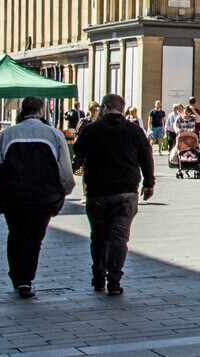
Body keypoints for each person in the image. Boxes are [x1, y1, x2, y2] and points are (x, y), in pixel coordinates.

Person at [0, 97, 75, 299]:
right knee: (34, 237)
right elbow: (65, 170)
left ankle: (17, 276)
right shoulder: (54, 135)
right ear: (41, 111)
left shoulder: (8, 134)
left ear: (22, 111)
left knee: (15, 234)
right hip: (43, 196)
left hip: (13, 195)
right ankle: (26, 279)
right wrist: (64, 190)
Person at [71, 94, 155, 297]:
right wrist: (149, 183)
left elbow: (78, 150)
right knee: (119, 238)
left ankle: (99, 277)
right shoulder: (135, 130)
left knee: (98, 236)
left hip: (97, 191)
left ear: (105, 107)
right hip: (126, 191)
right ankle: (114, 282)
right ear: (122, 109)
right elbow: (146, 157)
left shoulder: (91, 129)